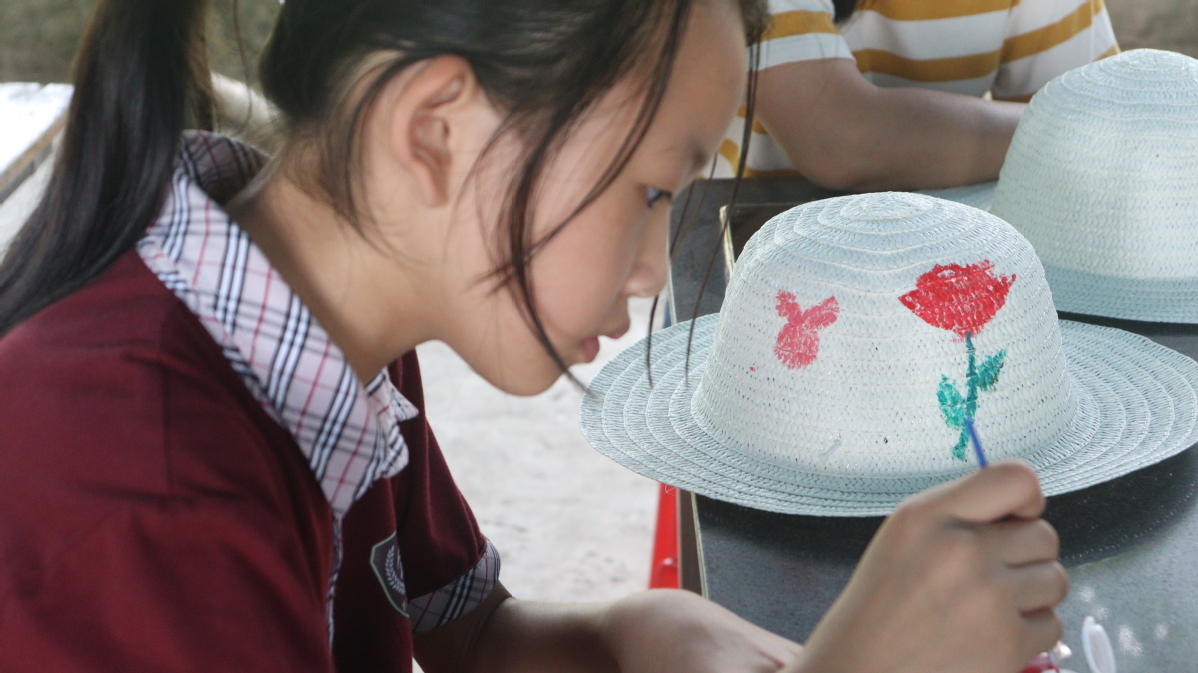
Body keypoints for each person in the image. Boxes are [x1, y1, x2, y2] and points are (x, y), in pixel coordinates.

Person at [0, 1, 1067, 672]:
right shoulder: (143, 501)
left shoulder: (326, 340)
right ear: (436, 131)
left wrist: (628, 632)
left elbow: (469, 635)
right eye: (653, 191)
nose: (651, 266)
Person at [719, 0, 1119, 190]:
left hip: (952, 259)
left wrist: (1085, 134)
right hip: (746, 260)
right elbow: (839, 141)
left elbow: (1098, 153)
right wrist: (1069, 132)